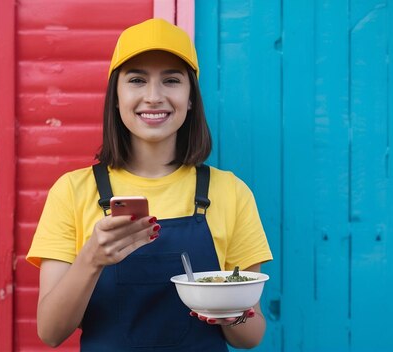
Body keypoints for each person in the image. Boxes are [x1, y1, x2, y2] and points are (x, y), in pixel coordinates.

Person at [26, 18, 273, 351]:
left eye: (171, 80)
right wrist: (92, 259)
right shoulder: (72, 191)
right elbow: (51, 332)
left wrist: (231, 314)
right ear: (116, 96)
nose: (154, 96)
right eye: (137, 80)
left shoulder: (230, 192)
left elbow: (251, 334)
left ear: (190, 98)